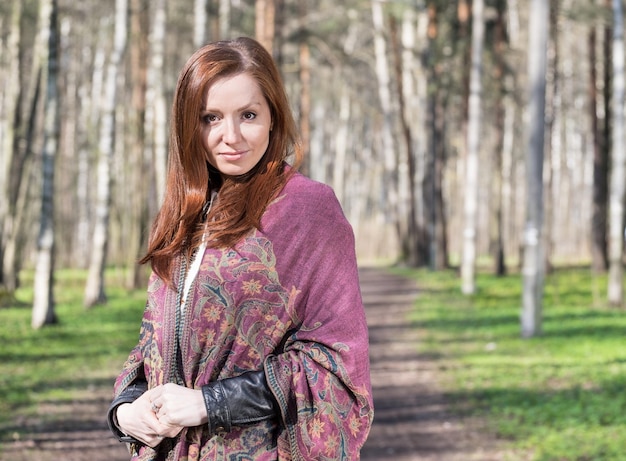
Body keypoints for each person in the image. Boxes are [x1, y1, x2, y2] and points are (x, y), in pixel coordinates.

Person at [107, 36, 373, 461]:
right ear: (188, 125)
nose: (229, 136)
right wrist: (125, 409)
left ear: (273, 117)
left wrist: (207, 404)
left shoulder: (308, 209)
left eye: (248, 115)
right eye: (210, 117)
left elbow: (334, 364)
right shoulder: (186, 211)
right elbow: (156, 341)